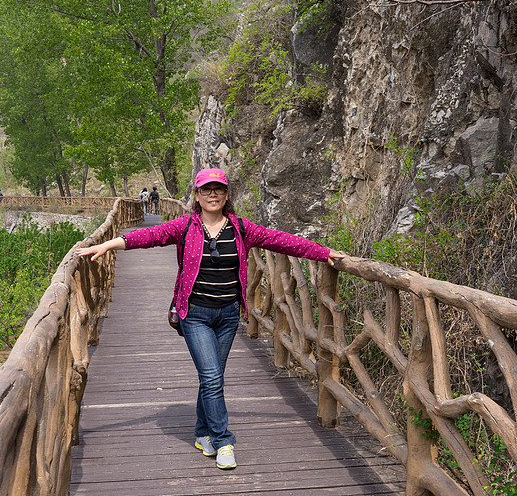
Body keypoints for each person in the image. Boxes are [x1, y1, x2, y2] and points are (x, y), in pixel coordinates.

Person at [77, 168, 345, 471]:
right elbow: (148, 235)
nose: (213, 195)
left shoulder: (241, 228)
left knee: (212, 377)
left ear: (227, 195)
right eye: (206, 190)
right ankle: (223, 440)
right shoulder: (184, 227)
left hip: (229, 315)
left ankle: (202, 432)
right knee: (213, 377)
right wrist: (109, 244)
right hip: (195, 315)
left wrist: (322, 253)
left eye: (218, 189)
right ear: (197, 196)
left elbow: (281, 241)